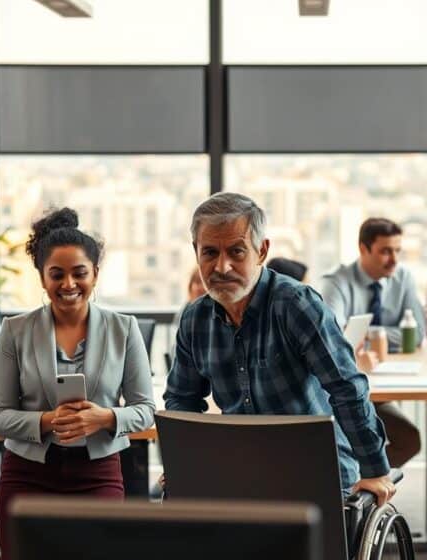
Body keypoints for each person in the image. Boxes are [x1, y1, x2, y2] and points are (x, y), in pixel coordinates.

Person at [164, 192, 395, 505]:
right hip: (241, 470)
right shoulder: (195, 319)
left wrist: (375, 468)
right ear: (196, 253)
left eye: (236, 251)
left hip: (316, 471)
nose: (223, 266)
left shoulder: (296, 306)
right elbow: (182, 398)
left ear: (261, 251)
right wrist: (185, 458)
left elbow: (346, 389)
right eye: (209, 253)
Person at [0, 208, 156, 560]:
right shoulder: (15, 331)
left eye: (79, 273)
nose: (69, 284)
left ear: (95, 274)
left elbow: (146, 410)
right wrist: (46, 421)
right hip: (27, 475)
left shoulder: (123, 329)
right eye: (57, 274)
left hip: (96, 473)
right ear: (42, 277)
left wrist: (105, 417)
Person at [318, 218, 425, 468]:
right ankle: (351, 483)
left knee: (409, 440)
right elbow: (332, 337)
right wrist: (391, 335)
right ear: (363, 249)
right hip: (342, 390)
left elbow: (417, 333)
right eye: (385, 251)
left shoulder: (403, 277)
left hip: (379, 385)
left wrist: (370, 334)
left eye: (397, 250)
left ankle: (357, 481)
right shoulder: (336, 281)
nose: (394, 259)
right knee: (356, 441)